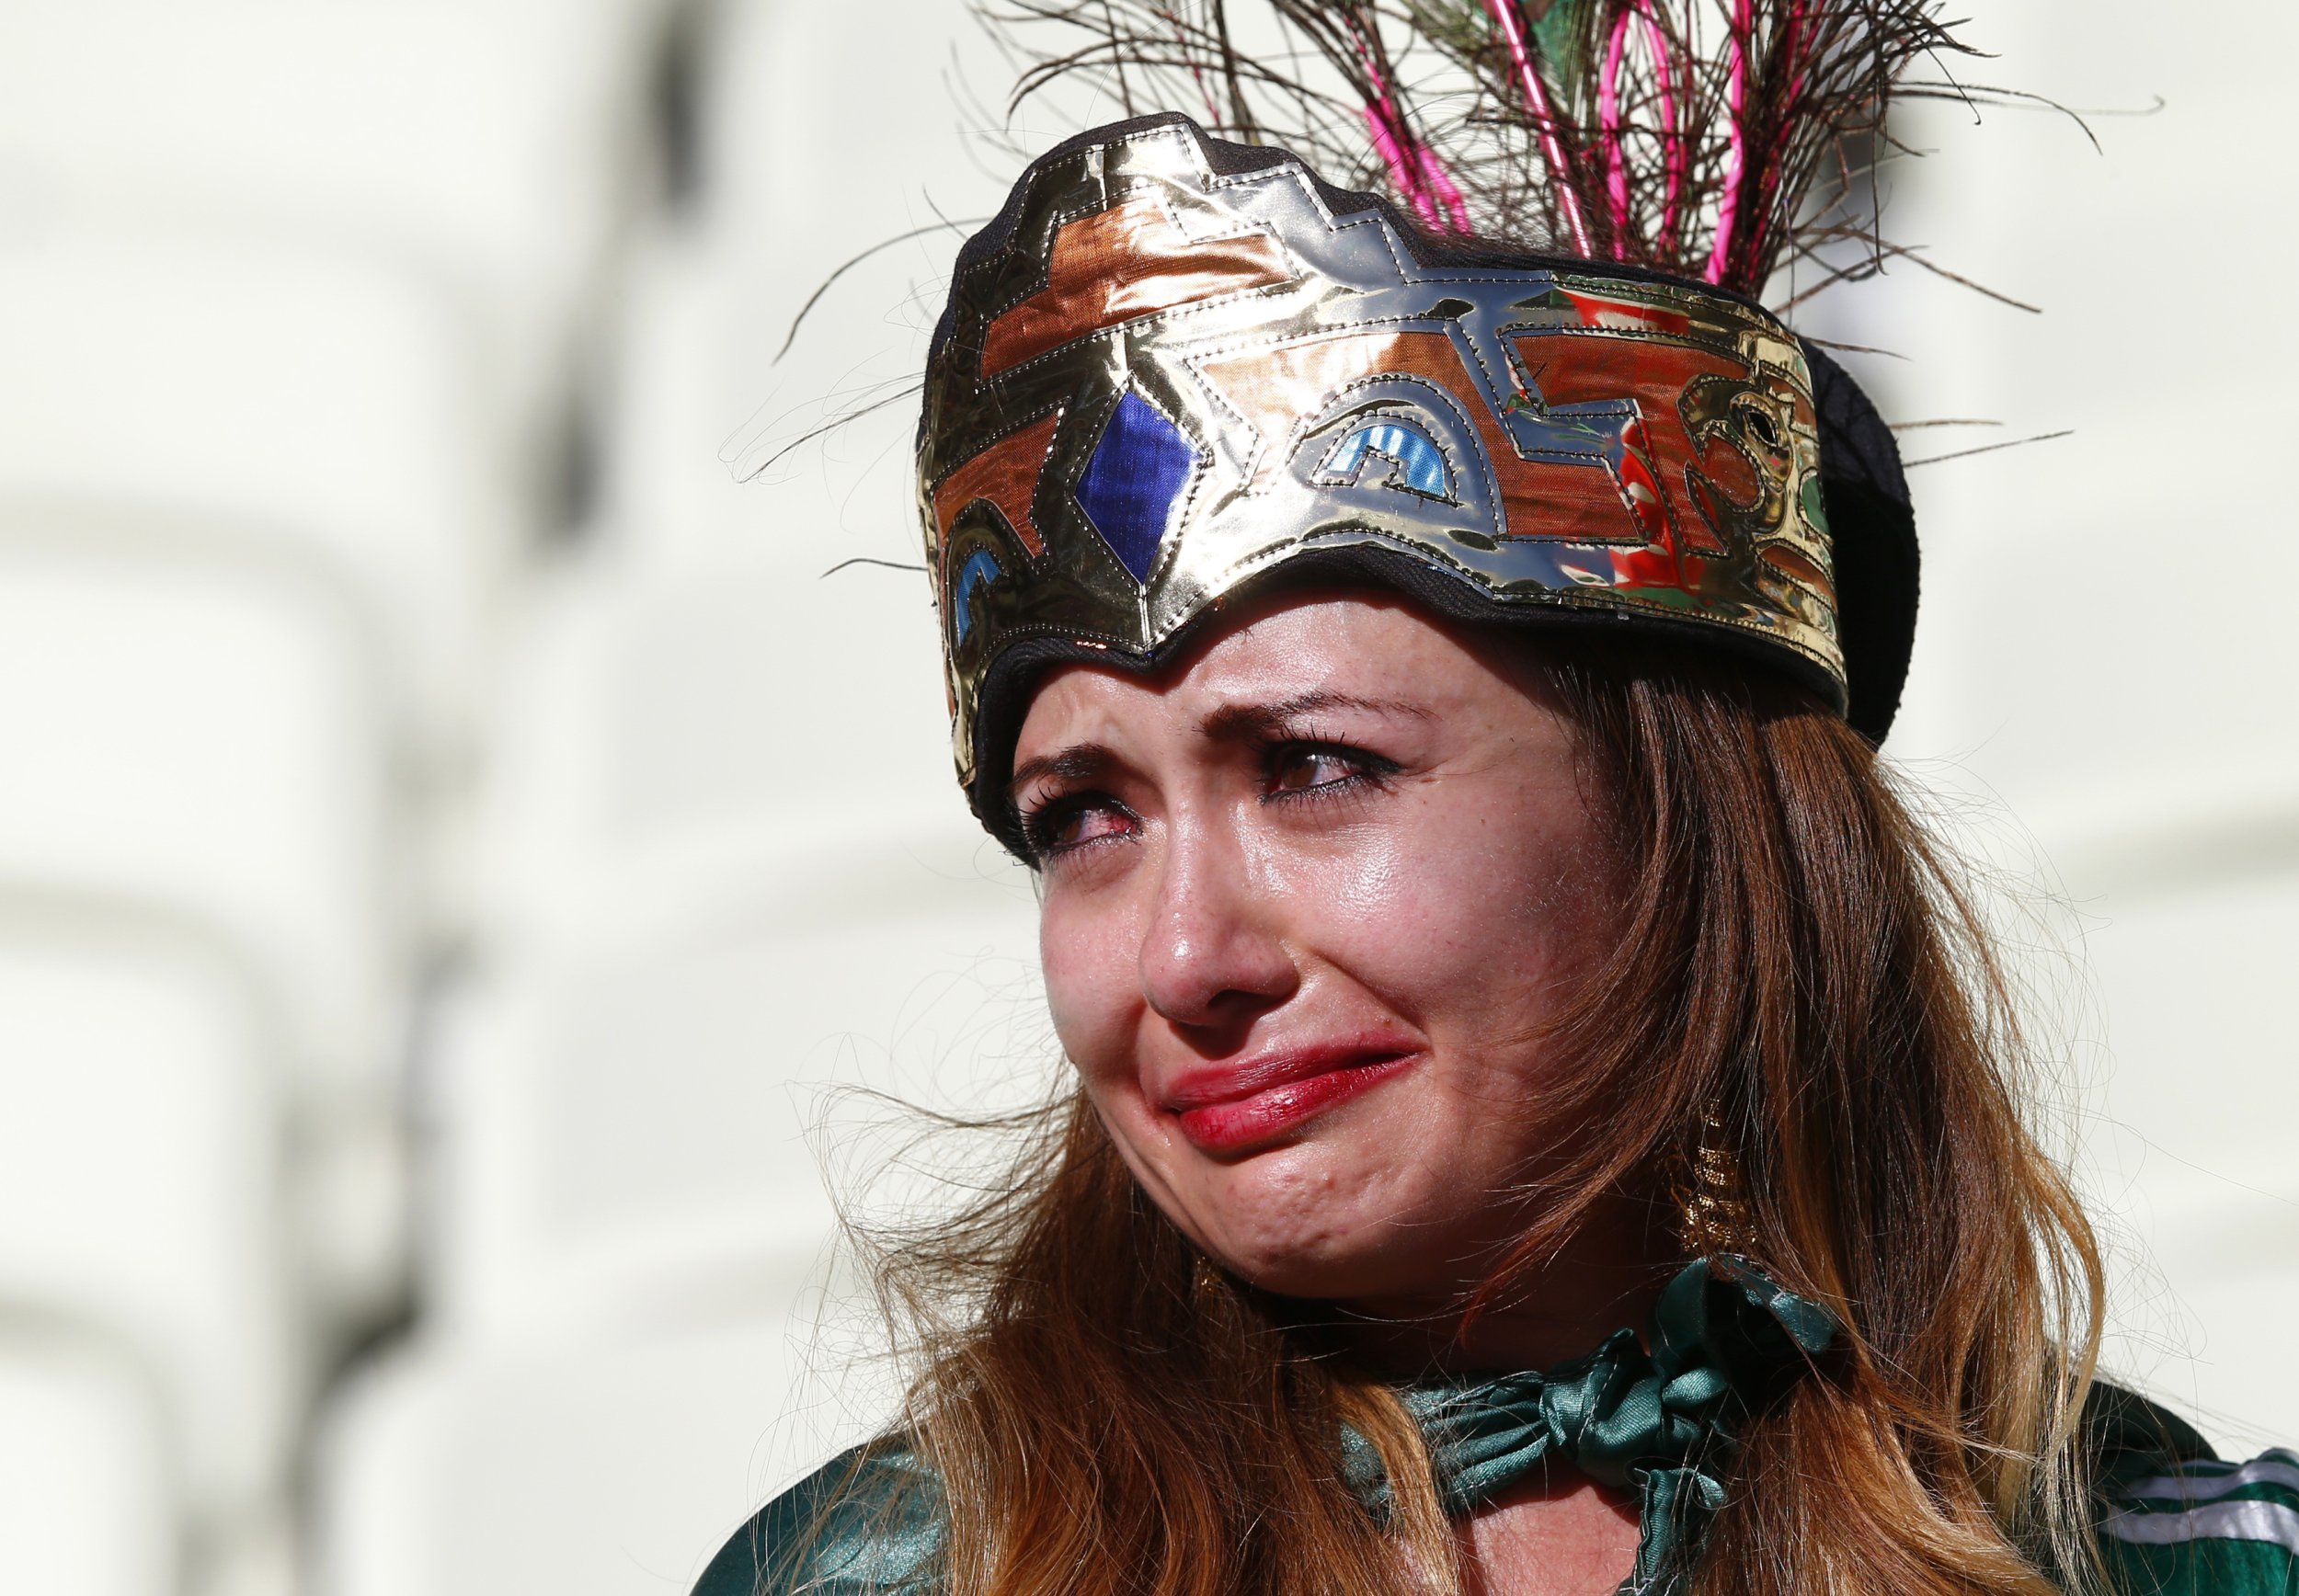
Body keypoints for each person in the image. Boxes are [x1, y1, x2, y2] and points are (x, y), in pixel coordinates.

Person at [696, 6, 2296, 1592]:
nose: (1183, 961)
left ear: (1689, 823)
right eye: (1085, 820)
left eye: (1316, 768)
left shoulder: (2190, 1561)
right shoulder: (891, 1575)